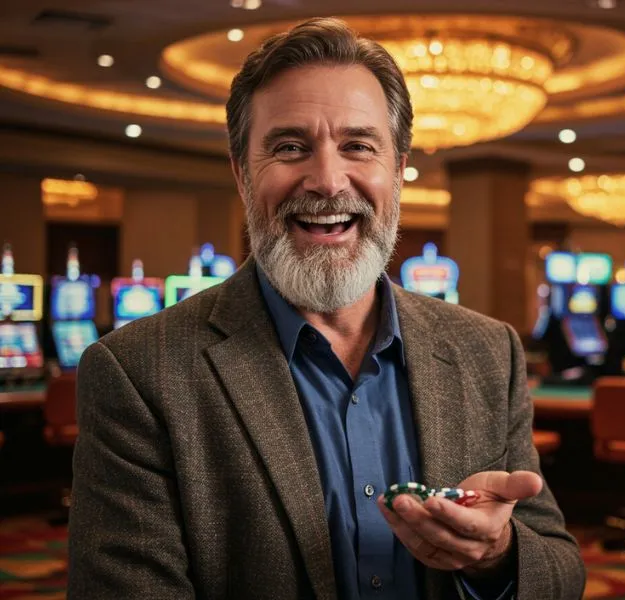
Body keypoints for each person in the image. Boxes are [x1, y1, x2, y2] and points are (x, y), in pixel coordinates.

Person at [68, 17, 585, 600]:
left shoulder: (488, 350)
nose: (327, 179)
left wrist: (498, 555)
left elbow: (560, 572)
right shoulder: (138, 372)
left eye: (358, 146)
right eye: (290, 147)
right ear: (242, 173)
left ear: (398, 170)